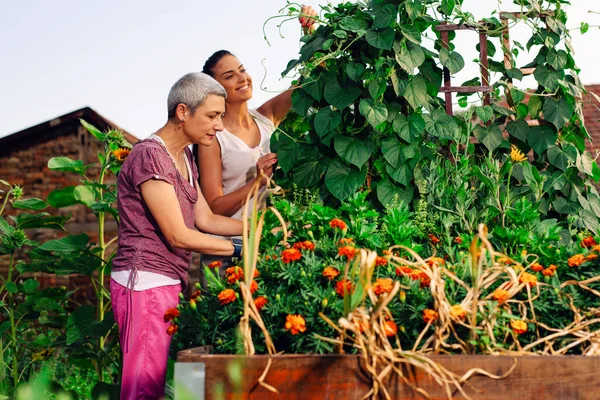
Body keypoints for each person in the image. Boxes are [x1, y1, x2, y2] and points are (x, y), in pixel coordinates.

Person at [110, 72, 244, 399]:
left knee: (189, 375)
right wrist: (241, 249)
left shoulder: (184, 156)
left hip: (170, 282)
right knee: (143, 387)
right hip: (145, 282)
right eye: (213, 116)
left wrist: (259, 229)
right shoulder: (149, 156)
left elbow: (207, 219)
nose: (220, 126)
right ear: (183, 113)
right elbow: (178, 235)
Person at [194, 5, 317, 273]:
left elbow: (306, 82)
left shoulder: (267, 116)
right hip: (227, 251)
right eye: (229, 76)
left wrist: (310, 32)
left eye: (242, 69)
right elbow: (214, 207)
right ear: (216, 89)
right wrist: (257, 181)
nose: (242, 78)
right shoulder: (214, 138)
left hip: (267, 242)